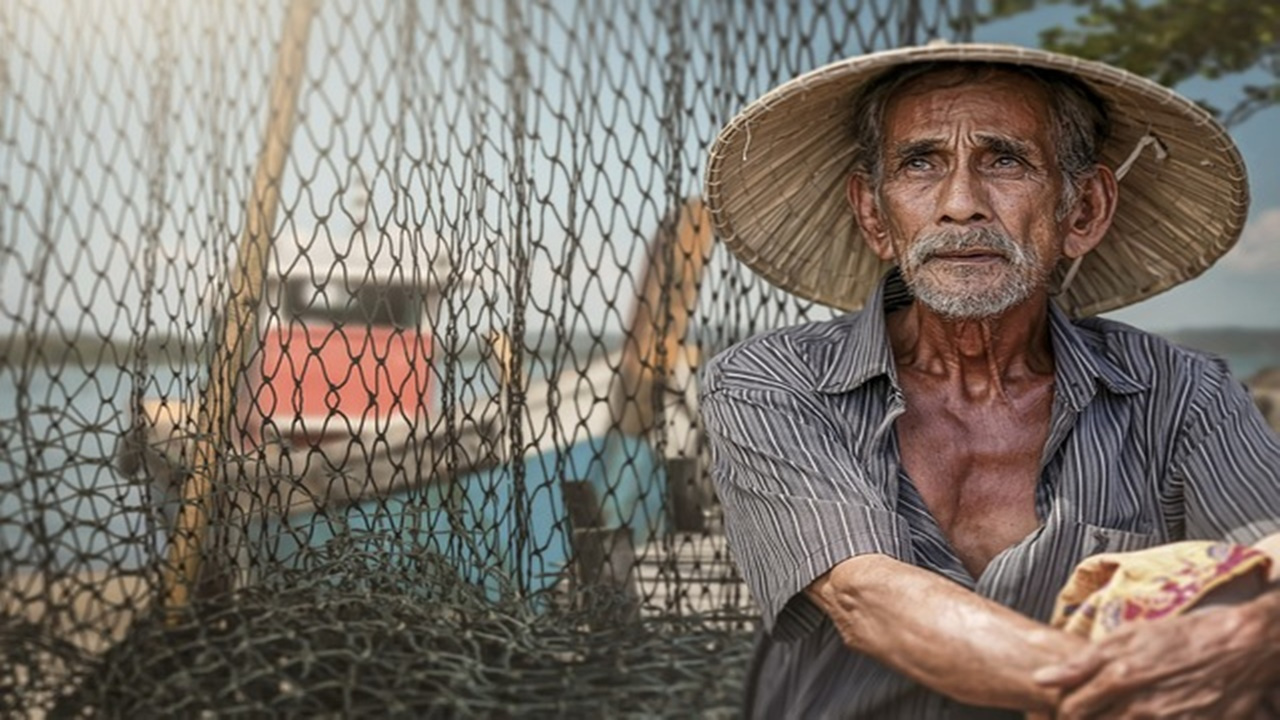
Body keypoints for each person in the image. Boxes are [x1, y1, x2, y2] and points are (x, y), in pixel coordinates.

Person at [699, 42, 1280, 718]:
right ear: (872, 214)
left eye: (1005, 160)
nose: (960, 204)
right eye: (920, 163)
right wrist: (1125, 686)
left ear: (1084, 210)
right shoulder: (769, 382)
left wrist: (1261, 630)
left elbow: (1270, 551)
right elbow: (866, 597)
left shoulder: (1185, 393)